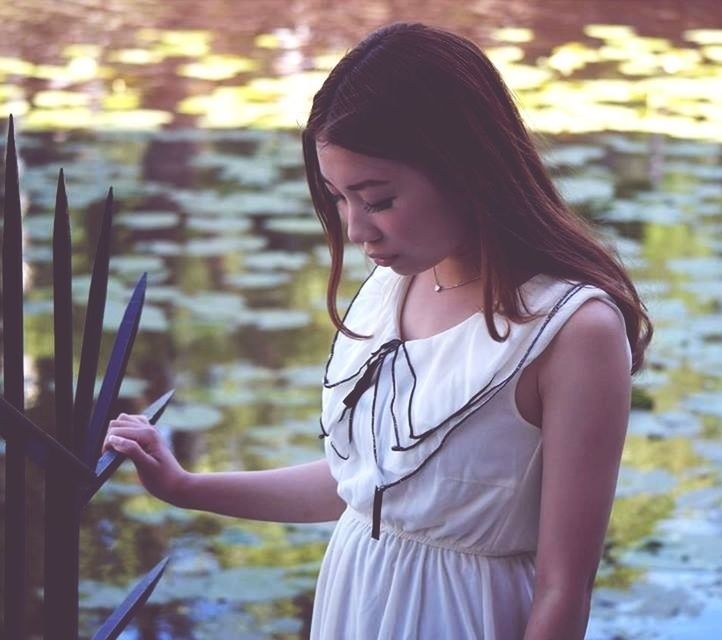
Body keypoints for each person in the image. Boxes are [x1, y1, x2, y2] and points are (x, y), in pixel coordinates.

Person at [104, 21, 652, 640]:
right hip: (354, 605)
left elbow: (564, 585)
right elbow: (364, 491)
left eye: (379, 199)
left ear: (466, 167)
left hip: (465, 618)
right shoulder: (397, 283)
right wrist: (186, 487)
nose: (358, 229)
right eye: (339, 197)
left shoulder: (572, 330)